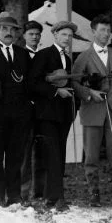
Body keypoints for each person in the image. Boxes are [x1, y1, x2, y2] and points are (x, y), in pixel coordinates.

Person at [72, 15, 112, 207]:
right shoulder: (84, 57)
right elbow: (74, 82)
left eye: (108, 30)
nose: (106, 34)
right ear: (93, 32)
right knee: (91, 156)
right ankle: (94, 195)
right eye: (102, 30)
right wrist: (89, 93)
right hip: (92, 111)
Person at [27, 21, 78, 212]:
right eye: (64, 35)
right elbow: (33, 83)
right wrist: (56, 92)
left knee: (60, 154)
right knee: (53, 155)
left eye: (70, 36)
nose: (67, 38)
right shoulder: (44, 55)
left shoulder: (68, 59)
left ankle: (54, 196)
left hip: (63, 114)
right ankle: (54, 198)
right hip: (47, 115)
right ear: (55, 35)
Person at [0, 12, 32, 206]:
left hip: (19, 114)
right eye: (4, 29)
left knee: (15, 156)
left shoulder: (22, 54)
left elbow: (27, 82)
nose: (8, 33)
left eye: (12, 29)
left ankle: (14, 195)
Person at [20, 19, 43, 201]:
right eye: (31, 34)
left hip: (43, 111)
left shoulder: (45, 56)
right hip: (25, 111)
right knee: (24, 152)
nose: (34, 37)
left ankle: (39, 191)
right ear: (24, 36)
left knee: (41, 152)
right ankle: (23, 192)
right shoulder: (19, 55)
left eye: (37, 34)